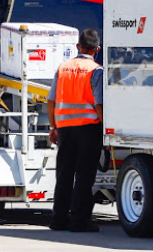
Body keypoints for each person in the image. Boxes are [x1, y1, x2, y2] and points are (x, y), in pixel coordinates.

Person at [48, 28, 103, 233]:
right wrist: (105, 126)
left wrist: (53, 127)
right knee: (83, 176)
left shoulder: (63, 68)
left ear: (78, 46)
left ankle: (58, 220)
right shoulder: (96, 70)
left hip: (64, 130)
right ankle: (80, 221)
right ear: (97, 49)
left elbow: (51, 100)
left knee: (64, 175)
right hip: (88, 130)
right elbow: (99, 103)